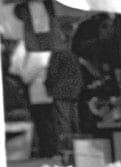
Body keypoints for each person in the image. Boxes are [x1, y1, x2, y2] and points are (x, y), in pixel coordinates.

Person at [8, 38, 56, 157]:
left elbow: (26, 74)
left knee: (44, 124)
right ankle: (47, 150)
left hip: (40, 93)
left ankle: (48, 151)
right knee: (45, 123)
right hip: (44, 93)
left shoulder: (36, 49)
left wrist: (21, 72)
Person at [45, 17, 82, 158]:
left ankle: (66, 150)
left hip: (61, 91)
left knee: (63, 122)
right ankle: (77, 149)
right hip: (74, 91)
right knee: (74, 121)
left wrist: (48, 85)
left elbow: (52, 74)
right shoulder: (71, 54)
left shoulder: (58, 54)